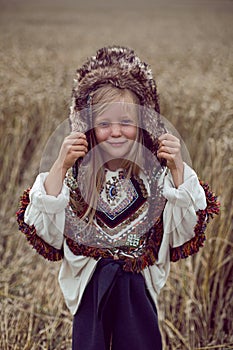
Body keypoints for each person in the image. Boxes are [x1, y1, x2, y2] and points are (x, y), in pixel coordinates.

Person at [16, 46, 220, 350]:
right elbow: (48, 235)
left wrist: (177, 168)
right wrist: (60, 165)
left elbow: (185, 232)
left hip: (138, 296)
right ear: (87, 127)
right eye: (104, 124)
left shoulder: (157, 178)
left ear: (142, 123)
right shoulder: (75, 177)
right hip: (90, 297)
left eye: (126, 122)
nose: (115, 132)